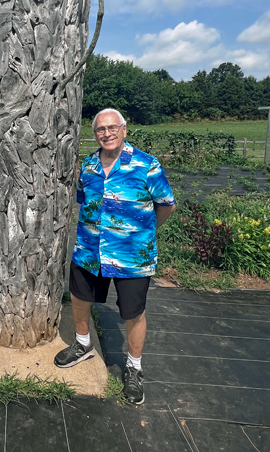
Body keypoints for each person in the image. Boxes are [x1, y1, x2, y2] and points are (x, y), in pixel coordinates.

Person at [54, 108, 176, 404]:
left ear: (123, 130)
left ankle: (134, 368)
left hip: (132, 255)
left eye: (112, 128)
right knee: (80, 297)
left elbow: (167, 204)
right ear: (95, 134)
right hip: (90, 250)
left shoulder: (147, 165)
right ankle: (83, 344)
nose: (106, 134)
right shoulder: (89, 166)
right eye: (100, 130)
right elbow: (84, 202)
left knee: (133, 312)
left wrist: (142, 233)